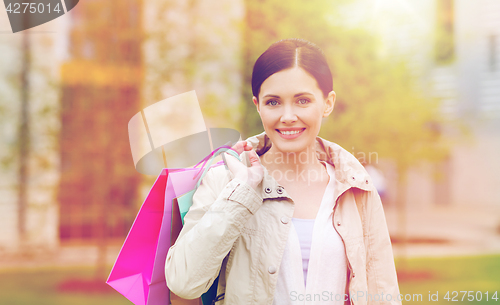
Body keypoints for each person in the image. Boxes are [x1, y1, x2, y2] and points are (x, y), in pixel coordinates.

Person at [165, 38, 401, 305]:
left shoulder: (357, 188)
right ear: (258, 104)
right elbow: (183, 283)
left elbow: (383, 292)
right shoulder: (225, 180)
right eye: (273, 102)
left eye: (302, 100)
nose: (288, 116)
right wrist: (241, 194)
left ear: (328, 103)